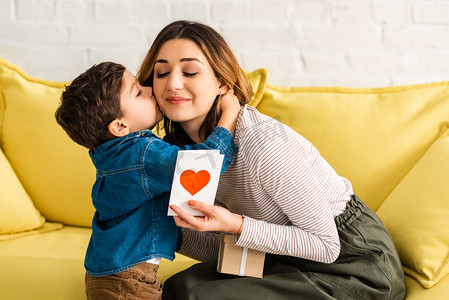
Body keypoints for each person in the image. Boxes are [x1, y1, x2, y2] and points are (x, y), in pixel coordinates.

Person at [137, 20, 406, 300]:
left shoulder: (264, 144)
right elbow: (231, 250)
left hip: (353, 264)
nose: (173, 84)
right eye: (162, 72)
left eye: (190, 71)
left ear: (222, 82)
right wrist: (163, 227)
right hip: (283, 257)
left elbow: (326, 246)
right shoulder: (185, 153)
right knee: (180, 288)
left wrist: (237, 224)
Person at [54, 61, 240, 300]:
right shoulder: (142, 154)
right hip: (128, 282)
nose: (151, 88)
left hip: (107, 275)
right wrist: (229, 115)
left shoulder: (112, 157)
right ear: (120, 126)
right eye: (139, 92)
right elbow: (206, 164)